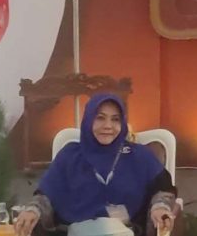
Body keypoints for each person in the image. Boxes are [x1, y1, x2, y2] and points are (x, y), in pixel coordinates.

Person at [15, 94, 177, 236]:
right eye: (100, 118)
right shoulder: (70, 155)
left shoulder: (139, 155)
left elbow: (163, 189)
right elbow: (46, 195)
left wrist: (160, 207)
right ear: (88, 120)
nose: (108, 126)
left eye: (115, 119)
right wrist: (34, 210)